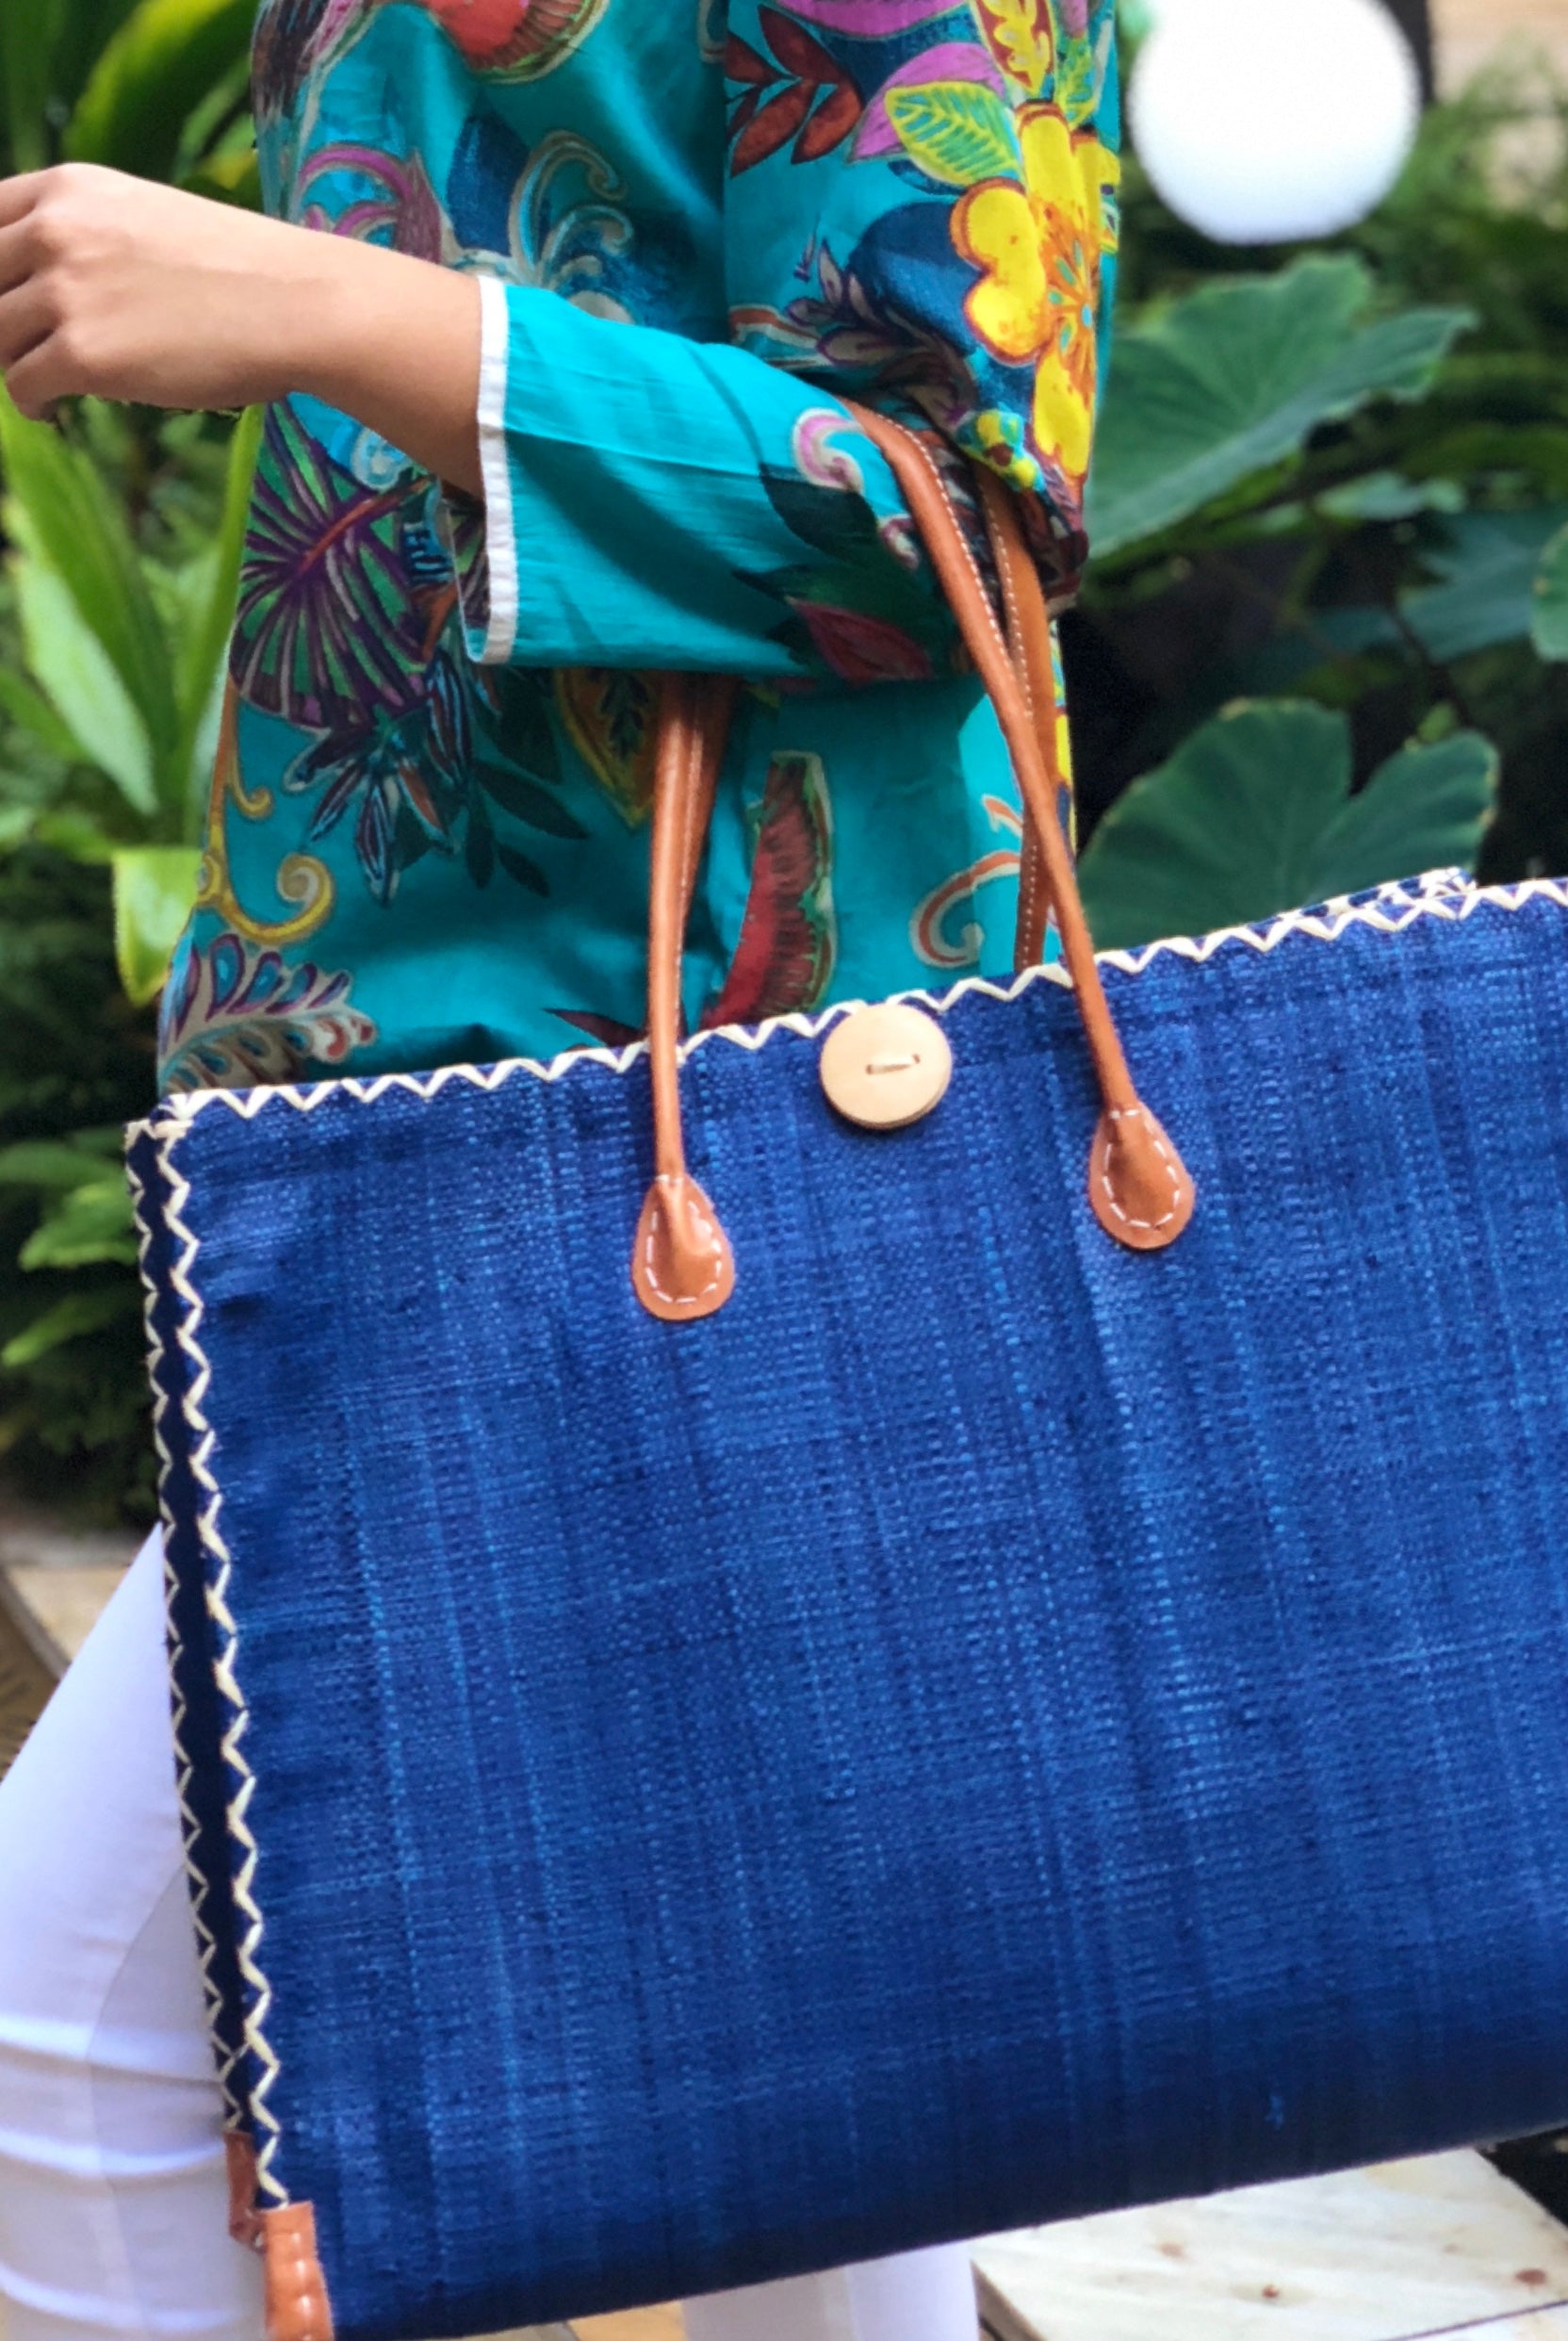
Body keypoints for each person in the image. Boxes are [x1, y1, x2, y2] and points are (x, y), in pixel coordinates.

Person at [0, 3, 1122, 2335]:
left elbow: (940, 509)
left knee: (74, 2028)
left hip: (661, 1096)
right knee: (821, 2075)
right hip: (463, 1065)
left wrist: (317, 306)